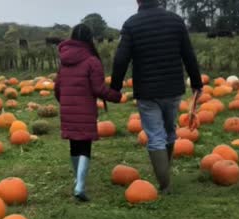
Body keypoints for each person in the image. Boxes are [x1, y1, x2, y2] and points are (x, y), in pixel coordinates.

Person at [110, 0, 203, 194]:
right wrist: (196, 82)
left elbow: (121, 58)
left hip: (147, 90)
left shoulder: (131, 24)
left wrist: (115, 87)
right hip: (173, 87)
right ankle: (165, 174)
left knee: (154, 135)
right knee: (169, 131)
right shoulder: (176, 21)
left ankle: (165, 184)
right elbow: (188, 54)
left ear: (138, 1)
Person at [54, 24, 122, 202]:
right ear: (89, 39)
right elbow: (98, 88)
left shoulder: (64, 60)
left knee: (74, 145)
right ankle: (80, 186)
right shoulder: (92, 61)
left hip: (67, 109)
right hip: (85, 109)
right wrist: (115, 96)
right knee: (85, 146)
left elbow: (58, 87)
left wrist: (65, 102)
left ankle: (77, 179)